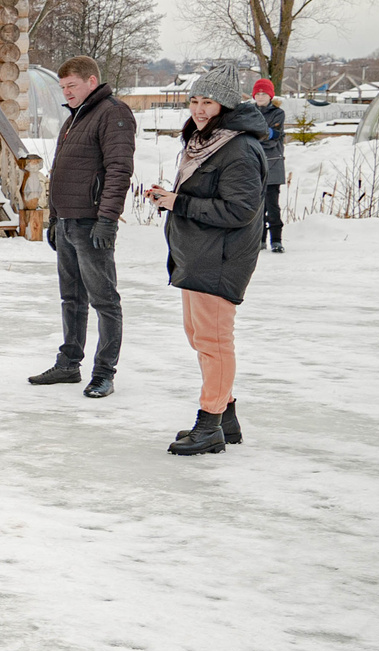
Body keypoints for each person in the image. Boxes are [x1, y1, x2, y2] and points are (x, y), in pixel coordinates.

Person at [152, 70, 269, 456]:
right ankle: (227, 417)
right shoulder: (206, 141)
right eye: (195, 101)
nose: (199, 110)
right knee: (199, 337)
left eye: (208, 103)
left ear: (226, 105)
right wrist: (171, 198)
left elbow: (240, 209)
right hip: (198, 254)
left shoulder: (238, 148)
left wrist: (178, 203)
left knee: (214, 343)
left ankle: (210, 425)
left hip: (220, 258)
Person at [30, 56, 135, 398]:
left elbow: (119, 171)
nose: (66, 93)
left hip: (92, 224)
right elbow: (64, 170)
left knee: (104, 301)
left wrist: (107, 221)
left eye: (71, 86)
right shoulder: (76, 118)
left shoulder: (113, 114)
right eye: (62, 88)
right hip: (68, 222)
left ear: (92, 82)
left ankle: (104, 372)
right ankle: (68, 364)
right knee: (71, 298)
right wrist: (54, 218)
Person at [250, 77, 287, 253]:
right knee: (257, 205)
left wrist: (255, 135)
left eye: (264, 93)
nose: (261, 96)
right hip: (253, 165)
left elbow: (273, 137)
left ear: (270, 95)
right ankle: (260, 239)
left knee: (272, 204)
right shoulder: (249, 112)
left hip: (272, 165)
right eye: (258, 93)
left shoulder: (277, 113)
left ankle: (276, 239)